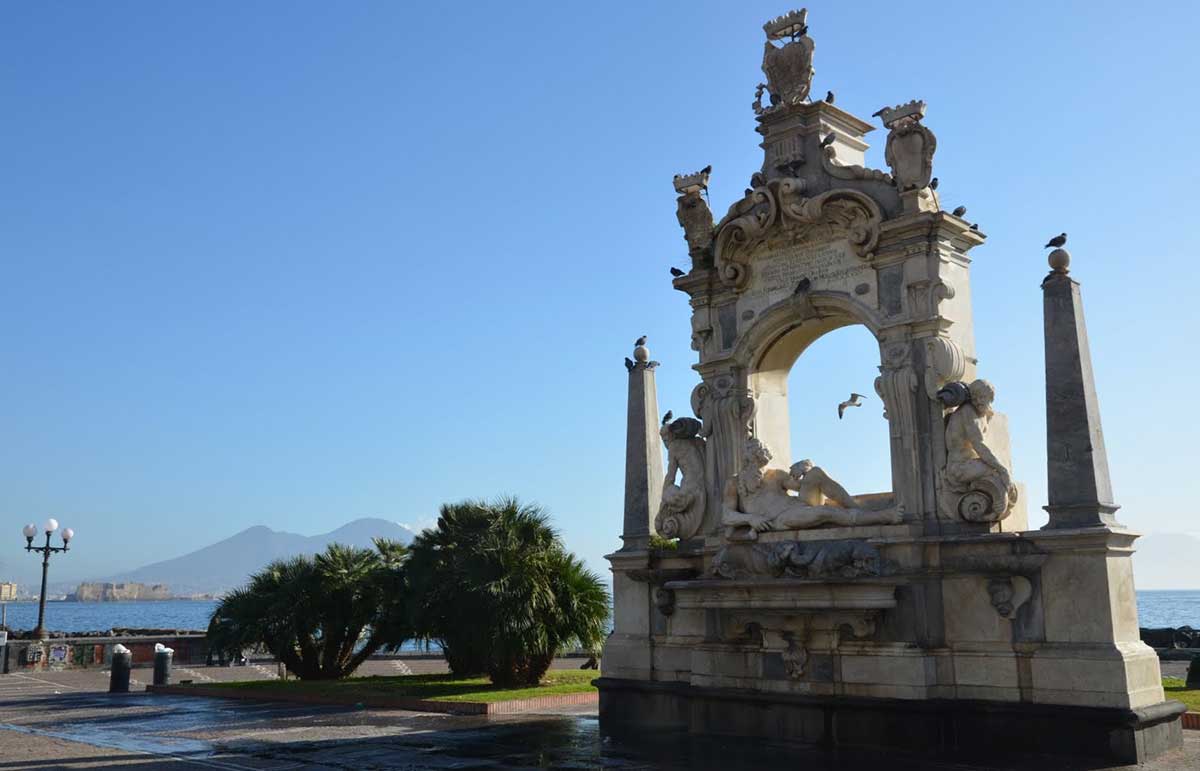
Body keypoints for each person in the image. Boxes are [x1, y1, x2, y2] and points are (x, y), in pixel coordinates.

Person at [721, 438, 901, 537]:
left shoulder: (776, 474)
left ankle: (856, 507)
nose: (759, 465)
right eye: (754, 458)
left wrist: (805, 466)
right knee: (825, 513)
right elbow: (727, 515)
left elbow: (801, 486)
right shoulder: (735, 482)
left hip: (798, 506)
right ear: (747, 459)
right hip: (780, 519)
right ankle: (884, 516)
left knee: (815, 472)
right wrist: (750, 519)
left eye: (761, 459)